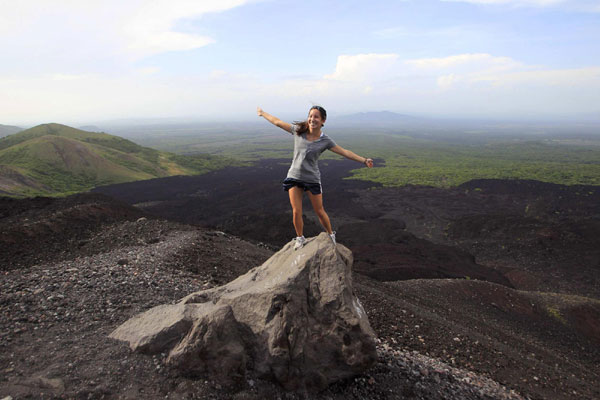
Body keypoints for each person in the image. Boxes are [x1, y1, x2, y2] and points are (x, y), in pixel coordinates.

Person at [257, 105, 374, 250]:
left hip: (312, 179)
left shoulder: (325, 140)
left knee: (319, 210)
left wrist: (363, 160)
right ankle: (300, 238)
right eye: (310, 116)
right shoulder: (298, 131)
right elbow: (277, 122)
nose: (312, 119)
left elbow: (344, 152)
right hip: (294, 176)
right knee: (296, 211)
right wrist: (263, 113)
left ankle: (330, 234)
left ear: (323, 121)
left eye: (316, 117)